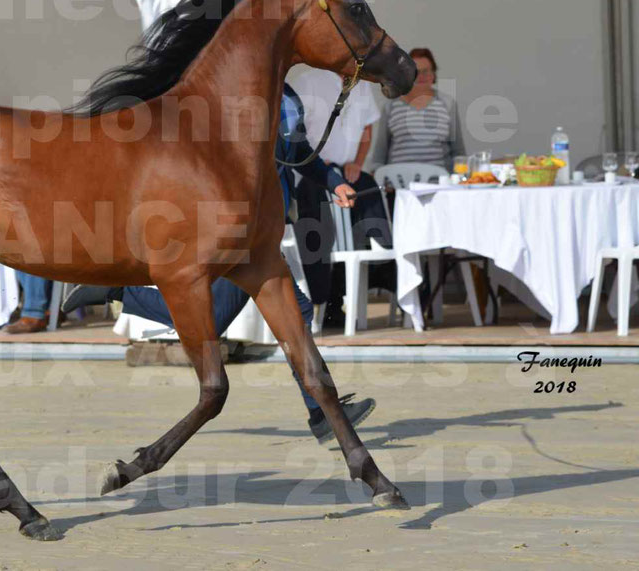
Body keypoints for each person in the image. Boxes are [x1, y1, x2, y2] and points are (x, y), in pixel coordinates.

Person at [60, 84, 377, 443]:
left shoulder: (287, 97)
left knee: (288, 314)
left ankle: (321, 413)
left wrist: (333, 181)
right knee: (242, 316)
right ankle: (114, 290)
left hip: (260, 234)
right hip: (233, 233)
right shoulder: (234, 92)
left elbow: (300, 152)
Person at [291, 68, 392, 327]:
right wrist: (316, 164)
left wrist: (358, 163)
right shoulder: (307, 79)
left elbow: (368, 127)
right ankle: (321, 300)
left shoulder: (362, 83)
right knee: (320, 234)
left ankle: (386, 268)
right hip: (314, 174)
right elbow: (294, 131)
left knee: (370, 198)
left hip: (348, 171)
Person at [371, 47, 464, 169]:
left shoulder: (448, 104)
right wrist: (379, 177)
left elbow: (458, 152)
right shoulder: (391, 106)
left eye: (426, 71)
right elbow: (380, 152)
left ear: (433, 74)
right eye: (416, 72)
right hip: (398, 183)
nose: (421, 77)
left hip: (440, 182)